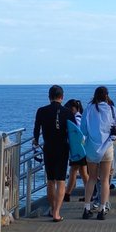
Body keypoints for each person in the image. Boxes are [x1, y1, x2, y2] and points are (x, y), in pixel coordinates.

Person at [32, 85, 70, 222]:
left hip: (48, 148)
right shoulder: (67, 112)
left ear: (49, 97)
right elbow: (74, 132)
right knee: (61, 181)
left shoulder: (41, 111)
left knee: (50, 180)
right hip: (63, 148)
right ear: (62, 97)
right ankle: (57, 213)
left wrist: (36, 140)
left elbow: (36, 129)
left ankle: (52, 209)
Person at [81, 86, 116, 221]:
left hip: (91, 147)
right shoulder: (112, 109)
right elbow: (115, 129)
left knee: (92, 178)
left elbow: (83, 130)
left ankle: (86, 208)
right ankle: (102, 209)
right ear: (107, 95)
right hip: (107, 147)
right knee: (105, 180)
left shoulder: (88, 109)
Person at [63, 98, 88, 202]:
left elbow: (77, 134)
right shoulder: (81, 117)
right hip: (82, 149)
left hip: (77, 149)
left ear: (74, 108)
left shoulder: (76, 119)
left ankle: (67, 194)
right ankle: (89, 193)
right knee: (83, 172)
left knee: (73, 171)